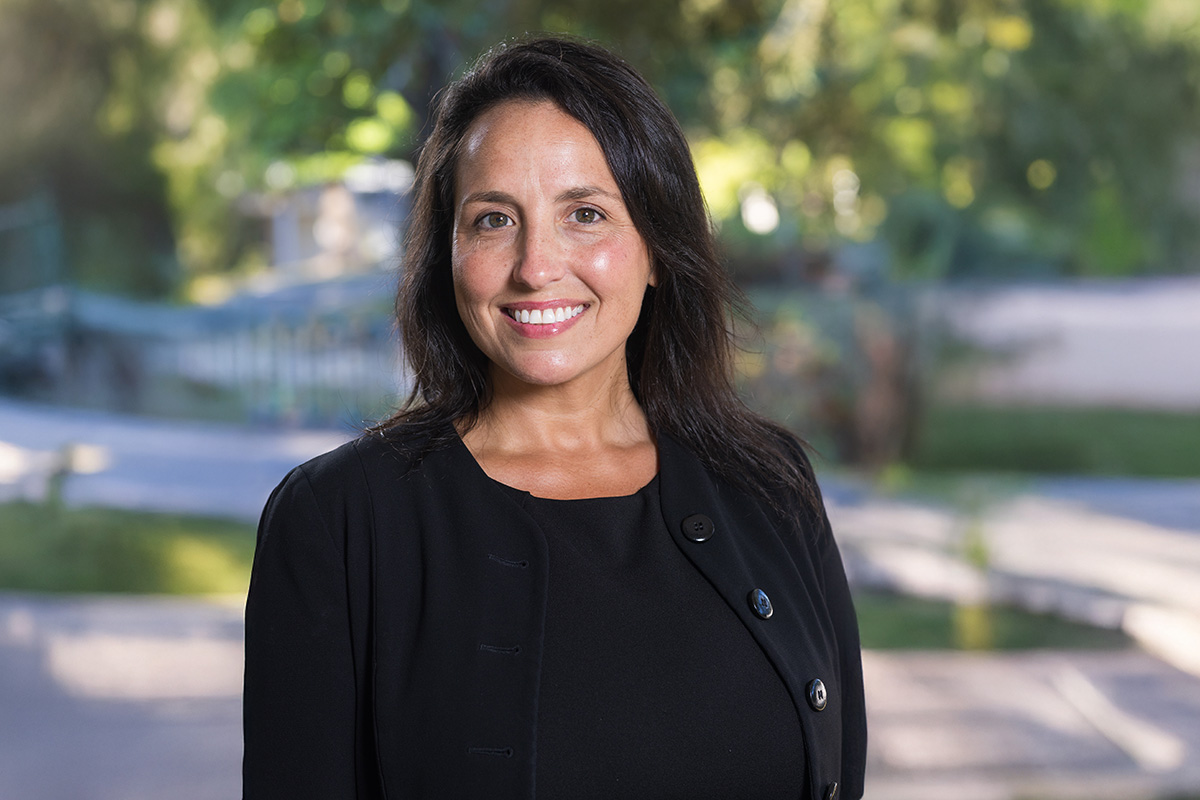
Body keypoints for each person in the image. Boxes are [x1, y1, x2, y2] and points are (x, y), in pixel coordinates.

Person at [243, 35, 866, 800]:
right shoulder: (339, 522)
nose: (537, 265)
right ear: (446, 254)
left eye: (585, 213)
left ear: (657, 249)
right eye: (494, 220)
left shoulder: (771, 486)